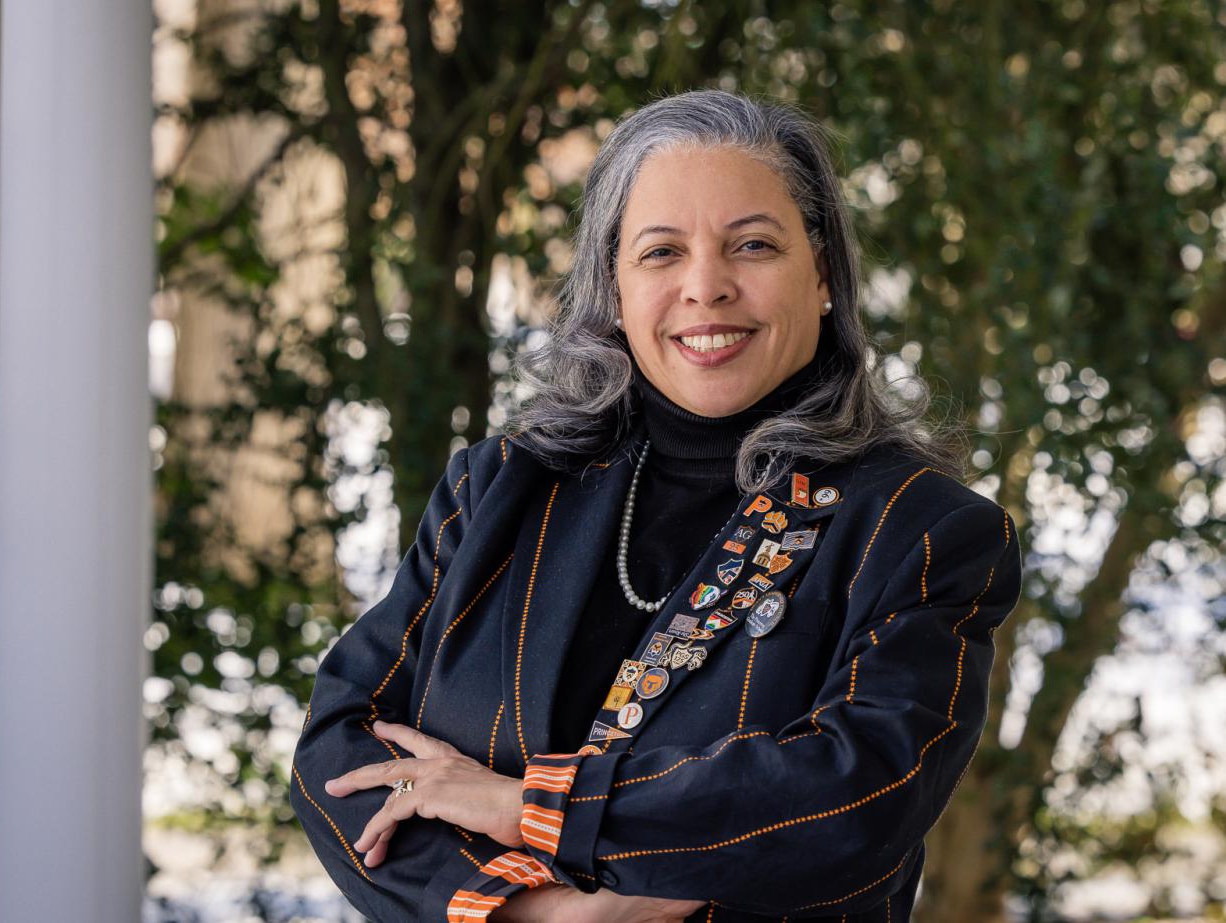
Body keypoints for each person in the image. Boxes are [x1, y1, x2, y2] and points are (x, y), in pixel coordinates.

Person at [291, 88, 1024, 923]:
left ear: (823, 274)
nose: (705, 287)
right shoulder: (496, 489)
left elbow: (852, 796)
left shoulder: (920, 530)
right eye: (661, 252)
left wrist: (522, 805)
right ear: (614, 283)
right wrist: (543, 914)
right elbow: (344, 748)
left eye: (751, 244)